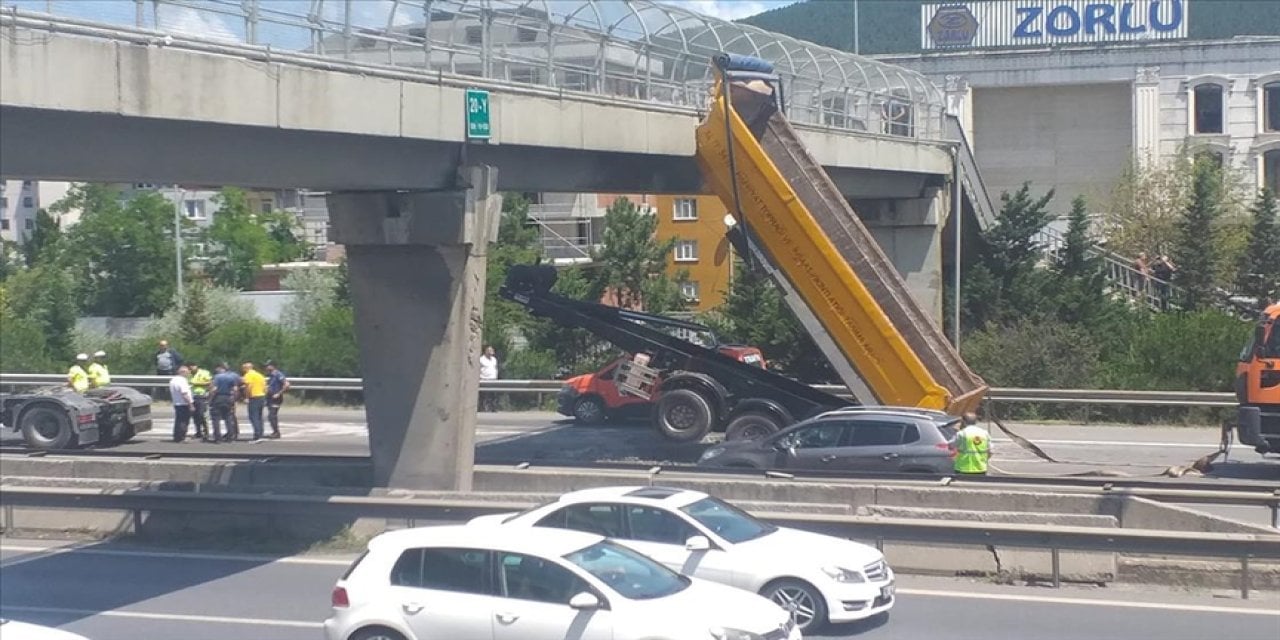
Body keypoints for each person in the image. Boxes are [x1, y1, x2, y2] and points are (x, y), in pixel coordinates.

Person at [209, 362, 242, 442]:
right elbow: (235, 389)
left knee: (216, 418)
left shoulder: (217, 377)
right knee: (228, 417)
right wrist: (234, 398)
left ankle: (217, 437)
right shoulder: (231, 377)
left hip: (218, 397)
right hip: (228, 398)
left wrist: (210, 399)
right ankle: (230, 437)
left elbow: (214, 389)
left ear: (220, 368)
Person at [241, 361, 268, 442]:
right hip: (261, 396)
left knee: (253, 417)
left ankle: (257, 435)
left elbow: (248, 387)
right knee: (259, 416)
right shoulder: (260, 375)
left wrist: (246, 397)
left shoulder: (248, 375)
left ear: (247, 368)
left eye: (243, 368)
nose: (242, 369)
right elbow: (265, 388)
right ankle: (261, 433)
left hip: (254, 397)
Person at [265, 360, 290, 439]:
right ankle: (275, 431)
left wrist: (279, 393)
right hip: (270, 398)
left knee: (272, 415)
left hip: (276, 398)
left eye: (268, 365)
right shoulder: (271, 375)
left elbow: (287, 384)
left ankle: (276, 432)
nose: (266, 367)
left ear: (272, 366)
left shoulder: (278, 374)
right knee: (271, 416)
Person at [169, 366, 194, 443]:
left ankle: (177, 436)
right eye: (187, 372)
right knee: (184, 421)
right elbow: (184, 394)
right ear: (183, 372)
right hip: (184, 403)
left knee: (178, 421)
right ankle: (182, 437)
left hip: (177, 403)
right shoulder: (182, 381)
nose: (189, 374)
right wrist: (190, 404)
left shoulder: (173, 380)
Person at [189, 361, 212, 441]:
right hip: (192, 397)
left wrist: (197, 383)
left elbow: (209, 383)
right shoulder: (188, 374)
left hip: (201, 396)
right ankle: (198, 432)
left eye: (192, 366)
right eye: (190, 367)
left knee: (202, 415)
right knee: (195, 416)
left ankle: (206, 432)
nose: (191, 368)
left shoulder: (204, 373)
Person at [479, 345, 498, 412]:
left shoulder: (494, 359)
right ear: (485, 351)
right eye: (489, 350)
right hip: (484, 380)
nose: (491, 351)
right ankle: (483, 408)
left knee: (493, 396)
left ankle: (493, 408)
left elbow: (495, 368)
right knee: (484, 396)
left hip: (493, 380)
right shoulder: (481, 359)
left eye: (492, 350)